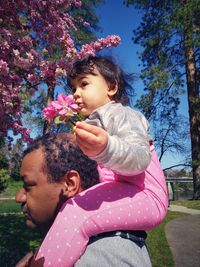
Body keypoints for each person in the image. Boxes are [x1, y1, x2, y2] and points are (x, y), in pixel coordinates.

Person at [15, 133, 152, 267]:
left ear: (70, 184)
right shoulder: (76, 243)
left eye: (28, 185)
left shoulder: (103, 255)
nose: (18, 197)